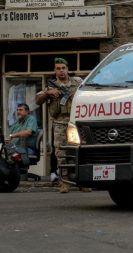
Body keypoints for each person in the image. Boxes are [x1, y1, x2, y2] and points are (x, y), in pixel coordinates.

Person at [35, 58, 90, 193]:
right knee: (61, 153)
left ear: (67, 69)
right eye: (58, 68)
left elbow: (89, 91)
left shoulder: (77, 82)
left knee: (80, 152)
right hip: (59, 123)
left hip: (76, 122)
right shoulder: (51, 86)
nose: (61, 71)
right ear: (55, 71)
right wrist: (48, 93)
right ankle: (64, 183)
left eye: (63, 68)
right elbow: (37, 101)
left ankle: (82, 181)